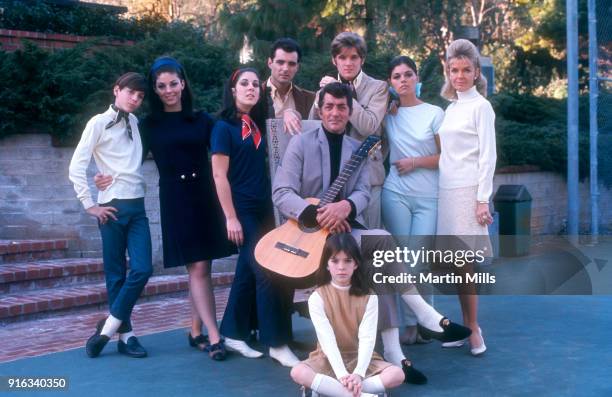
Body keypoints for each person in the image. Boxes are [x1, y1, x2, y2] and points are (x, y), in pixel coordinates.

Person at [274, 82, 471, 384]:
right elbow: (282, 192)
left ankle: (397, 347)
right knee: (382, 241)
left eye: (342, 107)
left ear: (350, 111)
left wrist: (347, 207)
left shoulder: (357, 149)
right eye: (329, 106)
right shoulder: (300, 144)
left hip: (345, 231)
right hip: (311, 238)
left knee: (380, 252)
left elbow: (364, 192)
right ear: (320, 109)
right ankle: (419, 321)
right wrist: (319, 213)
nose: (335, 112)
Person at [94, 57, 234, 360]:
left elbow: (227, 146)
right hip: (176, 199)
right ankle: (214, 335)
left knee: (203, 267)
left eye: (173, 83)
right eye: (161, 86)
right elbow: (124, 156)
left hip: (205, 196)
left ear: (183, 83)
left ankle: (195, 330)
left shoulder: (203, 120)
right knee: (196, 266)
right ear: (155, 90)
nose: (168, 90)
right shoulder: (148, 126)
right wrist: (102, 174)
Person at [211, 67, 298, 367]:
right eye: (243, 84)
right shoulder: (224, 128)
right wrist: (230, 217)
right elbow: (219, 176)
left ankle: (233, 332)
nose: (250, 88)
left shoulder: (260, 124)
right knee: (264, 269)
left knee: (246, 271)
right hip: (243, 211)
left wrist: (286, 115)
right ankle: (276, 342)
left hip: (266, 209)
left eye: (254, 85)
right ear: (232, 89)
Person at [69, 72, 152, 359]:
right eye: (131, 93)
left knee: (143, 269)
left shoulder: (136, 123)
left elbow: (126, 164)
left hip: (138, 207)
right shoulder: (98, 123)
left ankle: (107, 329)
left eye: (140, 97)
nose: (135, 99)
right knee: (115, 274)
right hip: (112, 208)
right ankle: (126, 335)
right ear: (116, 90)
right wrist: (90, 204)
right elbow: (76, 166)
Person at [437, 39, 497, 356]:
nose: (459, 75)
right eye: (454, 70)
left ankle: (474, 329)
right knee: (455, 266)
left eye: (466, 70)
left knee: (465, 265)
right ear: (448, 72)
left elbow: (488, 157)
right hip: (445, 193)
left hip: (467, 193)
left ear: (476, 73)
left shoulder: (481, 107)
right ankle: (465, 324)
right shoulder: (451, 108)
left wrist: (483, 198)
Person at [290, 233, 405, 397]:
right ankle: (361, 394)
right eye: (335, 261)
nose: (341, 267)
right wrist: (342, 375)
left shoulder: (369, 296)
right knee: (298, 372)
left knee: (397, 375)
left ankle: (332, 390)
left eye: (348, 260)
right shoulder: (317, 297)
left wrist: (358, 374)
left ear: (356, 264)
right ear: (327, 265)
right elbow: (327, 339)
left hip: (360, 358)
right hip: (327, 357)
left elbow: (367, 338)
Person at [382, 56, 444, 345]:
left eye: (408, 74)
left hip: (428, 198)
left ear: (417, 78)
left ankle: (425, 320)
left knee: (417, 262)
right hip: (395, 194)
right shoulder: (388, 113)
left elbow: (447, 158)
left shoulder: (434, 113)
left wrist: (416, 162)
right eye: (397, 76)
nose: (403, 80)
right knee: (400, 261)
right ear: (390, 83)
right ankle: (409, 326)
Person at [308, 32, 388, 229]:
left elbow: (368, 126)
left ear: (362, 59)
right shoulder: (323, 92)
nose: (348, 63)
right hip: (331, 178)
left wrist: (341, 92)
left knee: (368, 242)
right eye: (342, 57)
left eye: (354, 57)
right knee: (333, 245)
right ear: (334, 60)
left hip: (368, 177)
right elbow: (312, 128)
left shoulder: (378, 88)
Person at [264, 38, 316, 134]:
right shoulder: (255, 95)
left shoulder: (310, 98)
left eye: (291, 64)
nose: (285, 68)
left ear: (297, 67)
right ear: (270, 63)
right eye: (280, 62)